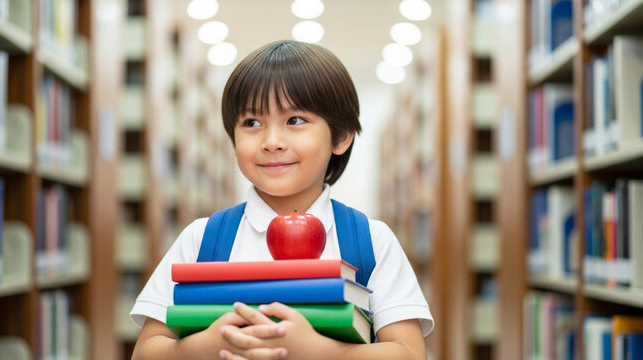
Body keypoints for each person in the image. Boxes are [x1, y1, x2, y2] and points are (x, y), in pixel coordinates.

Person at [130, 39, 434, 360]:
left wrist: (321, 352)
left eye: (295, 120)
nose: (272, 141)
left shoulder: (371, 241)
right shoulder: (202, 238)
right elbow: (146, 351)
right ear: (232, 140)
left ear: (341, 136)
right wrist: (209, 344)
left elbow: (409, 353)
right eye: (252, 123)